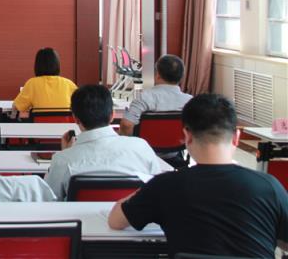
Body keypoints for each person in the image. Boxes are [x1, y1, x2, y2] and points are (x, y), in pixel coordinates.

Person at [109, 94, 288, 258]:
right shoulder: (269, 187)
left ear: (187, 136)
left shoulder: (165, 185)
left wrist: (147, 187)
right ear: (236, 138)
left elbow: (115, 221)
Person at [44, 84, 162, 200]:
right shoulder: (141, 147)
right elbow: (158, 188)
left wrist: (67, 153)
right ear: (112, 115)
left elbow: (48, 199)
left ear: (75, 118)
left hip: (81, 213)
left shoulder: (62, 160)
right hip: (130, 212)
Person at [120, 54, 192, 135]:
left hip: (146, 143)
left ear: (158, 75)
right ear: (181, 78)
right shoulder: (190, 102)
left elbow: (127, 125)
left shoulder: (143, 97)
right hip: (180, 143)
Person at [12, 48, 77, 118]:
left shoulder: (32, 83)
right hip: (65, 124)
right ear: (57, 64)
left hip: (39, 124)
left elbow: (16, 107)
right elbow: (81, 106)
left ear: (37, 65)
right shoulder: (69, 84)